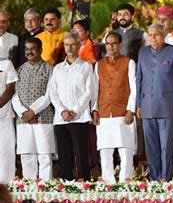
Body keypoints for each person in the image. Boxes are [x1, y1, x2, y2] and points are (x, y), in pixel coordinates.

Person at [136, 24, 173, 181]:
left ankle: (165, 180)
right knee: (151, 148)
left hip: (168, 107)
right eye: (150, 35)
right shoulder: (143, 52)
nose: (153, 38)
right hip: (147, 107)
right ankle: (154, 179)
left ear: (164, 35)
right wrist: (138, 104)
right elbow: (139, 80)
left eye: (156, 35)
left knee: (166, 147)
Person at [49, 32, 95, 180]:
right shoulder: (57, 68)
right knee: (64, 154)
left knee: (81, 154)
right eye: (67, 44)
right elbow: (53, 92)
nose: (69, 47)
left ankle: (84, 185)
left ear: (79, 45)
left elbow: (89, 91)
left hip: (79, 117)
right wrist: (62, 111)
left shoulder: (86, 67)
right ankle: (66, 186)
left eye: (72, 44)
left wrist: (75, 110)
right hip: (61, 118)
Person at [92, 32, 136, 183]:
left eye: (114, 43)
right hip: (104, 112)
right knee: (105, 151)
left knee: (125, 150)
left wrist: (131, 110)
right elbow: (94, 89)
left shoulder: (128, 62)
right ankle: (108, 182)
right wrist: (94, 110)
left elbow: (134, 88)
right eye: (108, 43)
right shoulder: (99, 64)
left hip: (123, 112)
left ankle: (126, 182)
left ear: (120, 45)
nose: (111, 46)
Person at [11, 37, 55, 181]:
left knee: (44, 154)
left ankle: (45, 188)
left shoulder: (49, 69)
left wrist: (33, 112)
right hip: (23, 119)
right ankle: (29, 189)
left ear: (40, 50)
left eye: (33, 48)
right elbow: (14, 94)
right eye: (27, 49)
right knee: (26, 155)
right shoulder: (19, 70)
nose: (29, 52)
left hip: (43, 118)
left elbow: (50, 95)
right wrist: (23, 113)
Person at [0, 58, 18, 183]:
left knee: (6, 152)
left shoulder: (6, 63)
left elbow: (10, 88)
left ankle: (7, 185)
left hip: (4, 116)